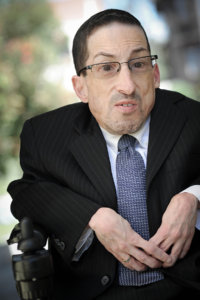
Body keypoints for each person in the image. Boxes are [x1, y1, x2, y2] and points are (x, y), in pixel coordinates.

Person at [7, 8, 200, 300]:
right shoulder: (45, 134)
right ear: (80, 87)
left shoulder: (192, 118)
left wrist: (195, 198)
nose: (128, 86)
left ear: (155, 73)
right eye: (106, 68)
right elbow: (26, 193)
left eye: (138, 64)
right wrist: (92, 218)